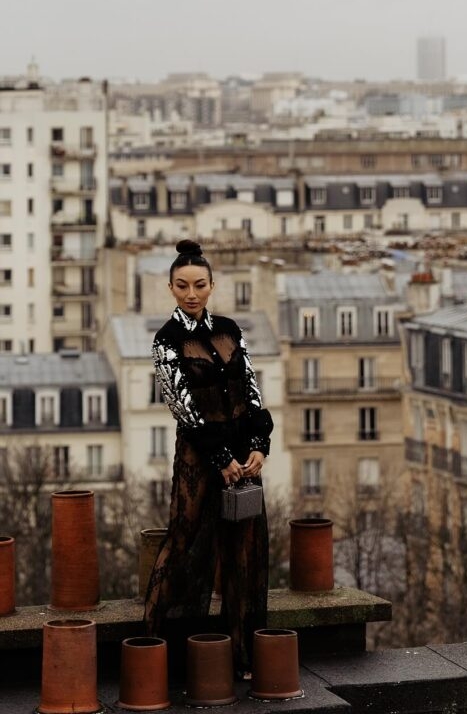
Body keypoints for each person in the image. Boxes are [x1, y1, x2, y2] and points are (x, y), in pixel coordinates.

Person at [144, 239, 273, 678]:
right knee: (183, 546)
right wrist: (220, 458)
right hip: (200, 460)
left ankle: (242, 658)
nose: (191, 293)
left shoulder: (231, 329)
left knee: (243, 554)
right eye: (182, 286)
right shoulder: (166, 340)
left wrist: (259, 445)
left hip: (242, 454)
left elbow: (252, 391)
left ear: (212, 285)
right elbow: (183, 409)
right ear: (171, 288)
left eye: (199, 284)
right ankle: (154, 650)